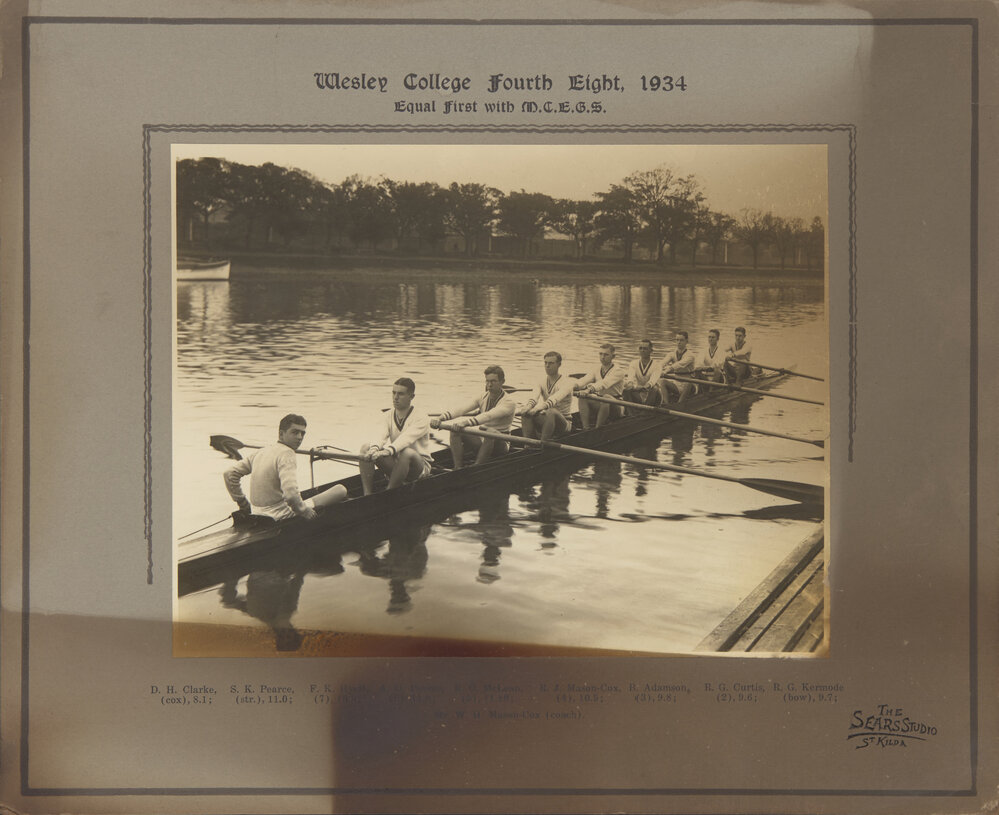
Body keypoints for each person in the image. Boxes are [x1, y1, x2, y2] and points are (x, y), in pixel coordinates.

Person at [223, 413, 347, 522]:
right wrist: (304, 510)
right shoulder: (287, 453)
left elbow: (229, 474)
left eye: (302, 433)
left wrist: (242, 503)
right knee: (341, 490)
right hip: (279, 515)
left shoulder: (262, 451)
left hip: (256, 512)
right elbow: (291, 495)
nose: (299, 437)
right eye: (295, 432)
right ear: (281, 434)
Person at [431, 365, 517, 468]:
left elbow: (488, 416)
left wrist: (465, 423)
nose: (489, 385)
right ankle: (458, 468)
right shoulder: (482, 397)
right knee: (454, 431)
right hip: (483, 439)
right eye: (487, 381)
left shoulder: (509, 402)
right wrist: (440, 418)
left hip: (501, 443)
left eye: (493, 381)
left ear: (502, 381)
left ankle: (477, 468)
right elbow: (462, 409)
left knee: (490, 432)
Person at [360, 377, 433, 495]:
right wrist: (374, 449)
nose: (395, 397)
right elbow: (380, 435)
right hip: (398, 462)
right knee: (365, 448)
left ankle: (390, 493)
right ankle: (367, 495)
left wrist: (388, 451)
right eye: (394, 393)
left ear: (411, 396)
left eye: (401, 394)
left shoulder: (422, 417)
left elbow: (406, 439)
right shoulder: (387, 415)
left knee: (407, 452)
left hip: (419, 467)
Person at [520, 351, 575, 440]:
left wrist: (537, 409)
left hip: (564, 423)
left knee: (551, 412)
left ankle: (543, 444)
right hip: (547, 419)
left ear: (559, 364)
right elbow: (534, 397)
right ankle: (528, 444)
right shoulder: (540, 380)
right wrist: (528, 406)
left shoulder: (567, 382)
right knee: (526, 412)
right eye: (545, 363)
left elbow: (553, 400)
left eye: (551, 363)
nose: (547, 366)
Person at [574, 343, 625, 429]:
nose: (602, 357)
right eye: (600, 354)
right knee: (582, 398)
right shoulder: (596, 369)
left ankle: (597, 429)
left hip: (616, 405)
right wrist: (573, 386)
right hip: (601, 402)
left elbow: (604, 383)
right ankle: (586, 429)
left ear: (613, 356)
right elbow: (584, 380)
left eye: (606, 354)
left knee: (606, 397)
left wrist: (588, 390)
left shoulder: (618, 371)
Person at [622, 338, 662, 411]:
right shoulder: (633, 363)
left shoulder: (657, 365)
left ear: (651, 351)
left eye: (645, 349)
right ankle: (631, 413)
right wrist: (631, 385)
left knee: (654, 388)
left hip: (653, 394)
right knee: (627, 390)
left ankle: (646, 413)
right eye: (640, 348)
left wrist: (642, 387)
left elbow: (652, 382)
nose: (642, 350)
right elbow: (630, 379)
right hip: (639, 392)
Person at [658, 331, 697, 404]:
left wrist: (666, 371)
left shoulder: (690, 355)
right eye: (677, 340)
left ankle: (679, 404)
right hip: (677, 383)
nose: (679, 342)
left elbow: (679, 364)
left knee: (689, 383)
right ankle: (666, 404)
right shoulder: (672, 354)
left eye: (681, 340)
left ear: (687, 341)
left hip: (689, 385)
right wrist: (658, 369)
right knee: (662, 382)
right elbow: (663, 362)